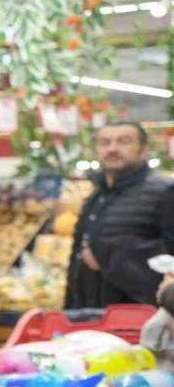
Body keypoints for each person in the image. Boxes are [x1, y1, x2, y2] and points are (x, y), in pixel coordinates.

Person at [66, 121, 174, 310]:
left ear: (144, 150)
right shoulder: (96, 196)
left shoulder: (165, 192)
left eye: (124, 141)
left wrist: (107, 260)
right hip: (93, 312)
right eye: (105, 142)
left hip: (141, 317)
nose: (112, 149)